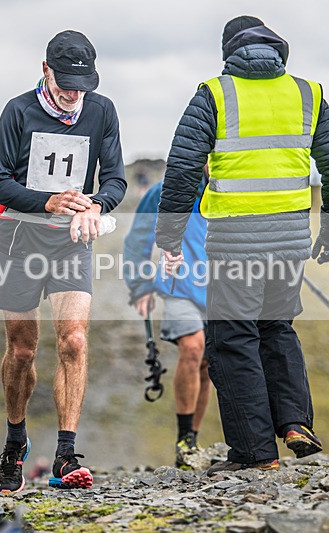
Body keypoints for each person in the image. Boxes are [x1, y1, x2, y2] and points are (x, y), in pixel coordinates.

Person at [155, 16, 329, 475]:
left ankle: (253, 451)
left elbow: (183, 169)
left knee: (233, 340)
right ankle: (295, 421)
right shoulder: (309, 94)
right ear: (276, 49)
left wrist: (169, 237)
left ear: (229, 52)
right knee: (277, 327)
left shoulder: (215, 93)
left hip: (234, 244)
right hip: (289, 243)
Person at [0, 30, 127, 494]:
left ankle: (66, 454)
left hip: (69, 243)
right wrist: (47, 202)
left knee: (75, 341)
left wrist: (97, 206)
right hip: (17, 241)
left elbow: (117, 180)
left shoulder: (101, 110)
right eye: (65, 83)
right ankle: (15, 442)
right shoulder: (17, 111)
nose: (73, 94)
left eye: (81, 85)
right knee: (23, 350)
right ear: (45, 70)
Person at [123, 176, 211, 468]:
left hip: (221, 288)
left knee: (207, 364)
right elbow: (138, 239)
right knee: (193, 347)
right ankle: (184, 438)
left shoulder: (230, 187)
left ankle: (192, 439)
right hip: (178, 286)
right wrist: (140, 286)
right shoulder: (163, 191)